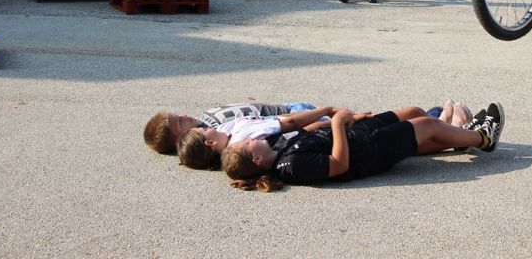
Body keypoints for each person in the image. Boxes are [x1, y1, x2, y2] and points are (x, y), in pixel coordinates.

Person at [221, 103, 504, 192]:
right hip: (368, 153)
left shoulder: (275, 145)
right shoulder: (291, 166)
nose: (251, 138)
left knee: (414, 112)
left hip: (356, 134)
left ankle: (459, 138)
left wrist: (347, 120)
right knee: (427, 124)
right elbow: (339, 164)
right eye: (248, 143)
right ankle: (483, 138)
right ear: (256, 158)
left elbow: (309, 131)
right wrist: (337, 124)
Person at [178, 103, 472, 170]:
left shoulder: (241, 147)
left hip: (340, 132)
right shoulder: (245, 142)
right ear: (210, 143)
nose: (208, 125)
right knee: (422, 121)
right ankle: (467, 132)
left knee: (417, 119)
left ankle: (452, 130)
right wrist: (331, 115)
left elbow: (297, 131)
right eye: (205, 129)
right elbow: (293, 125)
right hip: (355, 143)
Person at [143, 101, 319, 155]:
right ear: (181, 140)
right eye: (180, 122)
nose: (184, 115)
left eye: (178, 115)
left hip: (288, 108)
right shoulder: (217, 132)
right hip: (294, 114)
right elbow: (280, 126)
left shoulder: (202, 123)